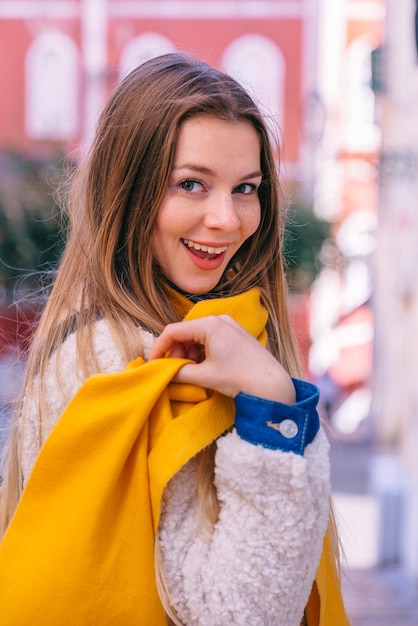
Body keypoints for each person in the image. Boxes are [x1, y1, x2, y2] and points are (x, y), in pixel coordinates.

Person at [0, 52, 349, 625]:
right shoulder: (129, 364)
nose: (227, 219)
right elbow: (237, 613)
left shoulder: (192, 340)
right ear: (128, 193)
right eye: (191, 184)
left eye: (245, 188)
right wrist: (273, 407)